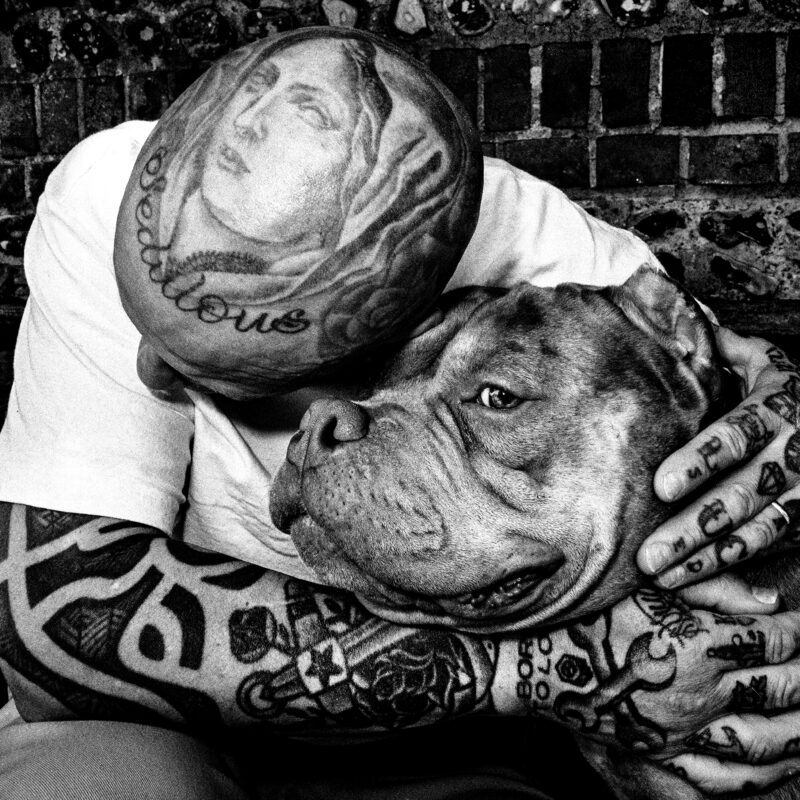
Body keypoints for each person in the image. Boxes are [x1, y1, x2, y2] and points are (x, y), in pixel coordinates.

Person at [0, 26, 799, 800]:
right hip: (149, 726)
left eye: (494, 395)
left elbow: (726, 422)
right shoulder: (112, 197)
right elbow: (62, 631)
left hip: (445, 751)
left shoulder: (557, 261)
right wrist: (570, 667)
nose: (151, 375)